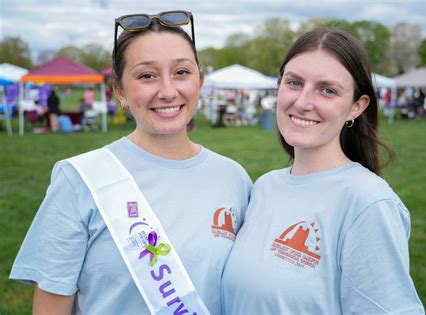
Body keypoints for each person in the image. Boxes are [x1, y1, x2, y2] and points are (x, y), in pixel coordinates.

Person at [10, 11, 252, 315]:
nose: (167, 91)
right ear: (120, 92)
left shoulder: (234, 178)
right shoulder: (79, 180)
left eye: (181, 72)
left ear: (199, 82)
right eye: (146, 75)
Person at [222, 28, 425, 314]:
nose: (303, 103)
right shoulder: (265, 187)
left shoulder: (366, 202)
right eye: (294, 83)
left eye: (327, 90)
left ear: (357, 106)